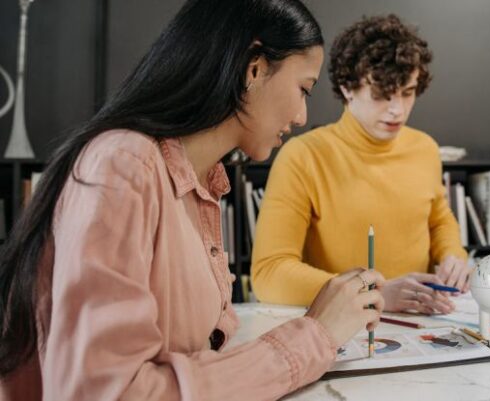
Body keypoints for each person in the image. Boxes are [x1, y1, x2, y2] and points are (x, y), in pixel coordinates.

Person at [0, 1, 385, 400]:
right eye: (303, 89)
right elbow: (108, 392)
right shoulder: (123, 166)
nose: (304, 115)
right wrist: (314, 336)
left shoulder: (199, 183)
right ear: (253, 68)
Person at [251, 14, 469, 315]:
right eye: (381, 95)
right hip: (341, 328)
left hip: (422, 323)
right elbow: (269, 275)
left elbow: (438, 220)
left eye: (408, 92)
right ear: (346, 87)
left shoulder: (425, 149)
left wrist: (453, 256)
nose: (398, 110)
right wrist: (372, 291)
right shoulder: (303, 156)